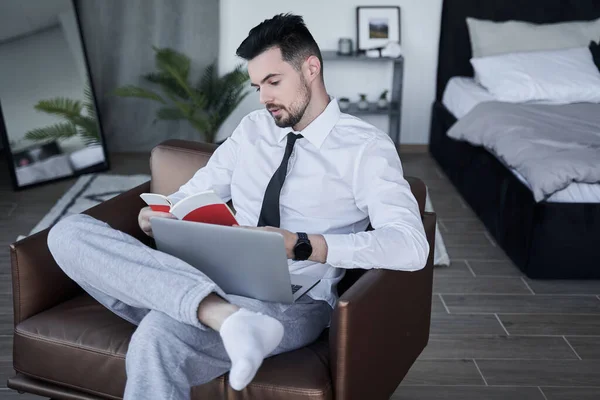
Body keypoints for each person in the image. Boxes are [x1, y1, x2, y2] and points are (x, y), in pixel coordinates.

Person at [47, 13, 429, 400]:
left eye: (274, 82)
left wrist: (302, 243)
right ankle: (224, 318)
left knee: (158, 335)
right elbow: (196, 191)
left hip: (292, 300)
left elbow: (411, 245)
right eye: (257, 85)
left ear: (311, 68)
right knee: (67, 233)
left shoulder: (365, 148)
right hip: (209, 277)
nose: (263, 98)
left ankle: (205, 310)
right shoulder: (252, 130)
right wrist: (163, 211)